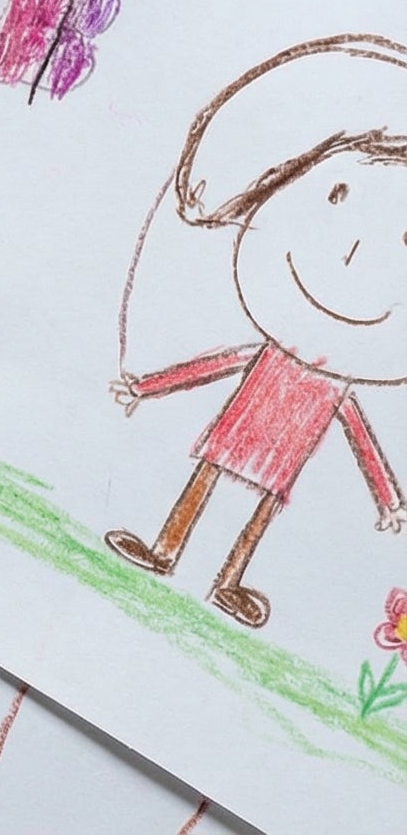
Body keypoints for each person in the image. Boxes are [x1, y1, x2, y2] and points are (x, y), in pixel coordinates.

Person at [106, 34, 407, 629]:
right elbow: (216, 366)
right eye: (336, 195)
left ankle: (230, 579)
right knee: (209, 475)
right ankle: (166, 549)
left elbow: (359, 437)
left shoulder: (332, 389)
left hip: (289, 445)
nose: (350, 254)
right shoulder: (270, 356)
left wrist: (388, 498)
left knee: (265, 505)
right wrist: (145, 387)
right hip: (244, 426)